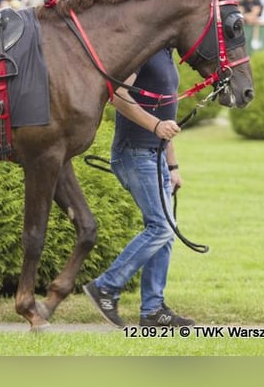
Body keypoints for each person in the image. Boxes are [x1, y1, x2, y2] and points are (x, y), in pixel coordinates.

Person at [83, 48, 194, 328]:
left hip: (155, 155)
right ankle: (106, 286)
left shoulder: (166, 53)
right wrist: (155, 126)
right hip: (135, 152)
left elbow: (167, 115)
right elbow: (117, 96)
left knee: (165, 232)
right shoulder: (144, 49)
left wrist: (173, 166)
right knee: (161, 227)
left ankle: (153, 310)